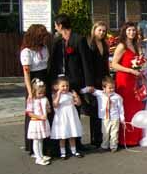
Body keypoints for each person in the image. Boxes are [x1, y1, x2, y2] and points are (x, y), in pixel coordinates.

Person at [50, 14, 94, 151]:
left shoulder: (78, 39)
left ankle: (77, 143)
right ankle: (61, 144)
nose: (55, 27)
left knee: (74, 112)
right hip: (60, 80)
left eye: (55, 25)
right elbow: (54, 62)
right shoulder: (57, 41)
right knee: (60, 113)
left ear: (60, 25)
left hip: (75, 80)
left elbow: (86, 62)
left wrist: (89, 83)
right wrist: (53, 81)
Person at [112, 21, 144, 146]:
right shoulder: (122, 46)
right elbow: (114, 64)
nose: (132, 32)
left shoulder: (136, 45)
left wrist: (139, 70)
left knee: (136, 107)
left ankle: (135, 137)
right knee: (125, 108)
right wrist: (130, 70)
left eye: (134, 30)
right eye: (129, 30)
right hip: (124, 79)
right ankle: (125, 138)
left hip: (134, 79)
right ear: (125, 31)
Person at [20, 24, 51, 156]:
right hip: (33, 82)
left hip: (45, 79)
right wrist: (30, 92)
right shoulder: (26, 52)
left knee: (46, 110)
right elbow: (26, 73)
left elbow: (47, 66)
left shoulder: (44, 49)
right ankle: (32, 147)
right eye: (42, 37)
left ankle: (46, 144)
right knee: (33, 113)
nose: (44, 39)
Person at [81, 76, 125, 152]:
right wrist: (83, 90)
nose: (112, 90)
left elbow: (120, 108)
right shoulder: (100, 93)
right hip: (105, 117)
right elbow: (91, 89)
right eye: (110, 88)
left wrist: (122, 118)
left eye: (113, 88)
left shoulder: (117, 97)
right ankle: (104, 146)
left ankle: (113, 146)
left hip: (115, 117)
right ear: (104, 88)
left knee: (114, 133)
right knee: (105, 132)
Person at [87, 21, 110, 147]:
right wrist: (89, 82)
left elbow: (106, 63)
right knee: (94, 109)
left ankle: (102, 136)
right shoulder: (90, 44)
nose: (101, 33)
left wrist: (108, 79)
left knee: (104, 108)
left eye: (104, 31)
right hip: (93, 80)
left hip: (103, 79)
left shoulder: (105, 44)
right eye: (99, 30)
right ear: (94, 30)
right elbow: (88, 65)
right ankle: (95, 138)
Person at [50, 76, 84, 159]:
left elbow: (79, 104)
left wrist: (76, 96)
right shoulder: (55, 95)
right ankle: (63, 152)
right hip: (62, 117)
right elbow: (55, 105)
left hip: (71, 117)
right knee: (63, 135)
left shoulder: (70, 94)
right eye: (63, 86)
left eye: (67, 86)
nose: (65, 88)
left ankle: (74, 151)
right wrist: (58, 94)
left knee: (72, 134)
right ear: (57, 86)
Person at [26, 78, 51, 166]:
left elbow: (48, 110)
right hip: (36, 122)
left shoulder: (44, 99)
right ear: (33, 91)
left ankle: (41, 155)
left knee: (41, 140)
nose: (41, 94)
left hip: (43, 122)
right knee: (36, 140)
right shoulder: (31, 100)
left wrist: (48, 108)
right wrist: (40, 116)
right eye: (39, 93)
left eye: (43, 93)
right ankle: (38, 158)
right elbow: (29, 113)